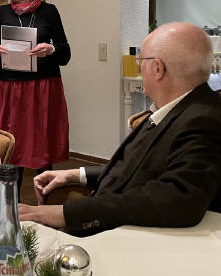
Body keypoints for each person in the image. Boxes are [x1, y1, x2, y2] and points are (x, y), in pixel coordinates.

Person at [19, 22, 221, 237]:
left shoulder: (204, 120)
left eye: (141, 61)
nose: (139, 68)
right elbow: (140, 167)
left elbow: (178, 198)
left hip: (124, 237)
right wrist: (75, 174)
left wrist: (63, 214)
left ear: (157, 68)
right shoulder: (178, 109)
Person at [0, 0, 71, 194]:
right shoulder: (2, 12)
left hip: (42, 88)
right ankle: (9, 202)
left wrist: (51, 49)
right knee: (11, 147)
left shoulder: (49, 11)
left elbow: (65, 53)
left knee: (42, 145)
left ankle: (44, 199)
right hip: (9, 89)